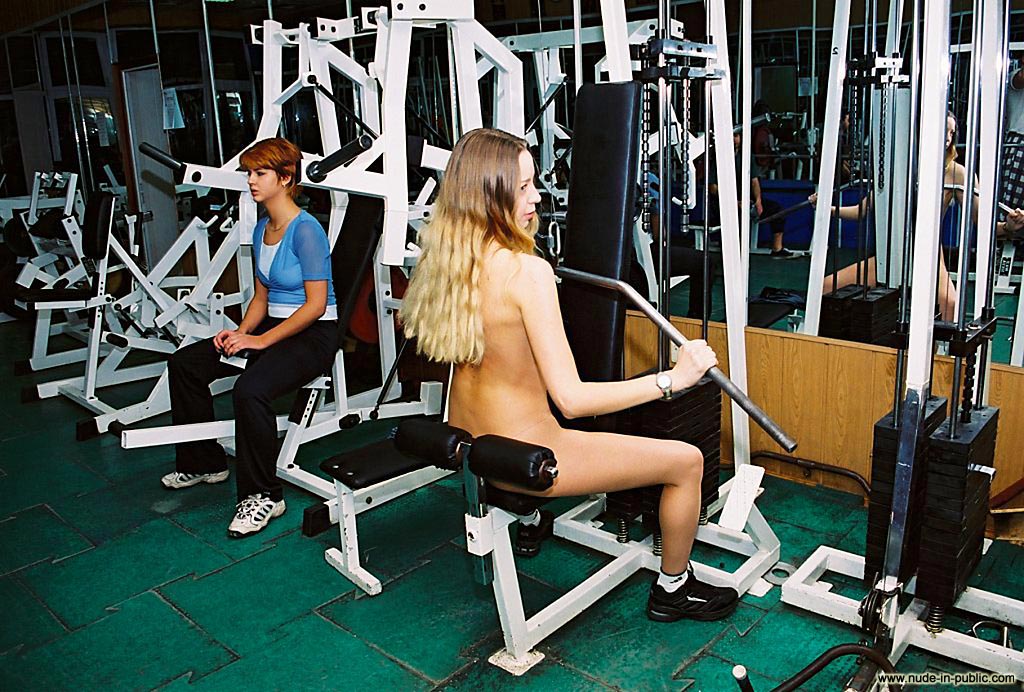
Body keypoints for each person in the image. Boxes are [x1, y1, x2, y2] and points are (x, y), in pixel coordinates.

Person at [400, 128, 739, 622]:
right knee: (686, 462)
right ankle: (673, 588)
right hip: (529, 452)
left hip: (471, 443)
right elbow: (572, 400)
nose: (536, 196)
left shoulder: (448, 262)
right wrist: (674, 378)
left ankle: (530, 519)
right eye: (522, 187)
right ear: (489, 196)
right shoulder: (526, 273)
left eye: (533, 183)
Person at [160, 137, 339, 538]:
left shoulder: (307, 231)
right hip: (271, 325)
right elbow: (261, 297)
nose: (251, 181)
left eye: (260, 173)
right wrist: (240, 333)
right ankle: (204, 462)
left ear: (286, 178)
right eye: (249, 173)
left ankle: (264, 496)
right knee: (186, 363)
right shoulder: (262, 229)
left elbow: (314, 306)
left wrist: (260, 342)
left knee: (250, 390)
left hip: (313, 333)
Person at [810, 112, 1024, 320]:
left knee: (950, 304)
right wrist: (827, 208)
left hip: (930, 255)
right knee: (824, 288)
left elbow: (983, 224)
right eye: (944, 130)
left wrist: (1008, 227)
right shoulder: (898, 168)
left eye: (952, 133)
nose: (948, 137)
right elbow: (861, 211)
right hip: (893, 254)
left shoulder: (957, 173)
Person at [709, 131, 793, 258]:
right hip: (724, 204)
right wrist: (734, 202)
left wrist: (758, 201)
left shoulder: (746, 157)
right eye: (731, 136)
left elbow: (754, 181)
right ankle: (732, 254)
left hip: (746, 201)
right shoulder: (719, 159)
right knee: (736, 217)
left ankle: (777, 249)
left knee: (777, 211)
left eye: (736, 136)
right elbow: (713, 188)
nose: (734, 139)